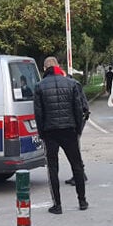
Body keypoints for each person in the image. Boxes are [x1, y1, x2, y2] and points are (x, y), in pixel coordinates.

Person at [34, 56, 88, 214]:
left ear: (45, 68)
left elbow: (38, 113)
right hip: (69, 129)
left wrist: (41, 133)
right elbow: (78, 109)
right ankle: (82, 200)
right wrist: (78, 129)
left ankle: (57, 205)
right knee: (76, 166)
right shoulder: (72, 83)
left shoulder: (40, 86)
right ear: (58, 66)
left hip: (50, 131)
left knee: (52, 168)